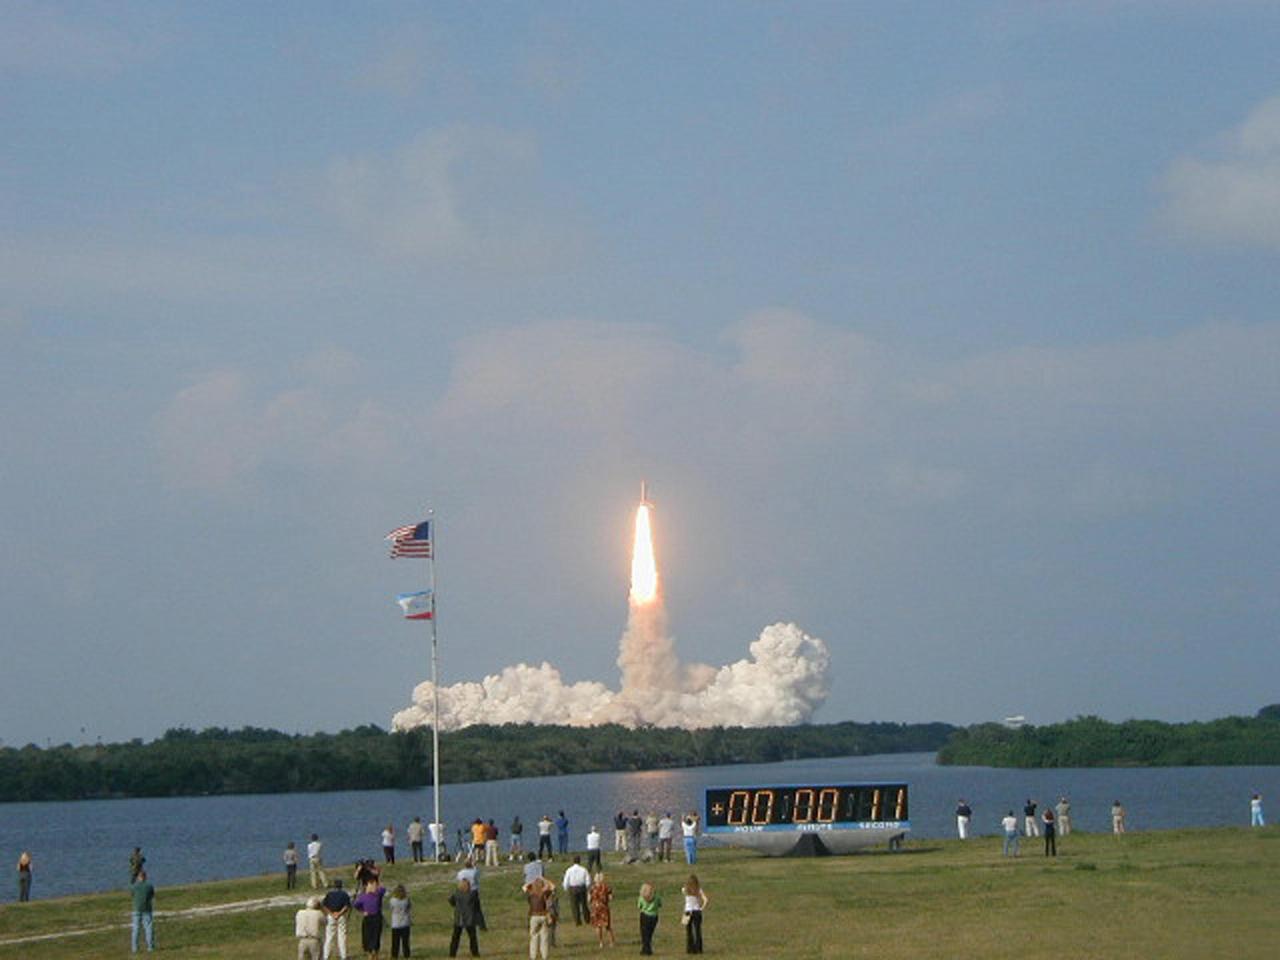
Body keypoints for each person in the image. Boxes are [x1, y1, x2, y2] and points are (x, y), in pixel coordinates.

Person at [524, 874, 555, 960]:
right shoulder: (545, 893)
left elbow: (524, 887)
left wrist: (531, 882)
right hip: (544, 915)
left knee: (533, 937)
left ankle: (533, 956)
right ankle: (544, 956)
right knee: (544, 938)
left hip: (534, 916)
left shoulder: (531, 893)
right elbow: (553, 886)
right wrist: (545, 880)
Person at [354, 877, 387, 960]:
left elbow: (383, 889)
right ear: (367, 886)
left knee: (376, 936)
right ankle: (369, 954)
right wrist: (363, 911)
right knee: (367, 937)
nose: (373, 886)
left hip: (377, 917)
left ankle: (375, 954)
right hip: (368, 918)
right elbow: (356, 904)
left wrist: (376, 887)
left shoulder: (378, 894)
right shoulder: (363, 896)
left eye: (374, 884)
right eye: (371, 884)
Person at [448, 878, 482, 958]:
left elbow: (451, 901)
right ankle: (475, 953)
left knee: (455, 938)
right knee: (472, 938)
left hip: (459, 918)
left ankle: (452, 953)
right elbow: (476, 903)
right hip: (469, 919)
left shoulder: (457, 894)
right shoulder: (472, 894)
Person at [323, 877, 352, 960]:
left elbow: (324, 905)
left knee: (329, 937)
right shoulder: (344, 894)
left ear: (334, 886)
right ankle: (343, 956)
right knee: (342, 937)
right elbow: (346, 906)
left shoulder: (329, 894)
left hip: (331, 916)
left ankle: (326, 956)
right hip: (341, 916)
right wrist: (339, 913)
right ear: (341, 886)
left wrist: (331, 914)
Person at [455, 858, 486, 930]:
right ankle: (481, 925)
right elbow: (478, 876)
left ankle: (462, 924)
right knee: (477, 910)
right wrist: (475, 866)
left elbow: (458, 880)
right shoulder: (474, 872)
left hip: (462, 892)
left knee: (463, 909)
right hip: (473, 891)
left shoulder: (460, 872)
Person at [130, 868, 156, 953]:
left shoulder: (134, 886)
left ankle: (135, 948)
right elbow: (152, 896)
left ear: (138, 877)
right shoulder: (149, 886)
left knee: (136, 928)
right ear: (145, 877)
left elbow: (132, 895)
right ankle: (150, 947)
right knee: (148, 928)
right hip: (147, 909)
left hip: (136, 909)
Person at [681, 874, 708, 955]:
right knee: (697, 931)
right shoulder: (699, 890)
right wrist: (701, 908)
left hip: (687, 911)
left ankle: (690, 948)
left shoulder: (684, 890)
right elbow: (706, 900)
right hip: (697, 911)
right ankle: (699, 949)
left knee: (688, 931)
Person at [589, 871, 616, 948]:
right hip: (604, 908)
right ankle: (611, 942)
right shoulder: (606, 887)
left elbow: (589, 899)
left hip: (595, 908)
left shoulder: (592, 888)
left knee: (598, 926)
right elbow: (611, 898)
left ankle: (601, 942)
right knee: (607, 926)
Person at [563, 854, 591, 925]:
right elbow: (588, 880)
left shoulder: (569, 870)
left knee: (574, 906)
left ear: (573, 861)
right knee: (584, 905)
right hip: (582, 888)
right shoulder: (584, 869)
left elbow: (566, 881)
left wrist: (566, 888)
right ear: (580, 861)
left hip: (573, 889)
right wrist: (587, 887)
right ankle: (587, 919)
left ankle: (577, 921)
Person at [296, 895, 327, 960]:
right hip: (314, 940)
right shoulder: (318, 913)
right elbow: (325, 922)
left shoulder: (299, 913)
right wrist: (322, 909)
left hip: (302, 940)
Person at [387, 884, 413, 959]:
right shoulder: (406, 900)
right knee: (405, 942)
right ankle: (406, 955)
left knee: (395, 942)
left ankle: (394, 955)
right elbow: (409, 908)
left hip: (395, 924)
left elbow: (390, 908)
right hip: (405, 923)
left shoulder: (392, 900)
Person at [637, 882, 662, 956]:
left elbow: (639, 906)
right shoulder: (657, 897)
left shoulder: (642, 898)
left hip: (644, 916)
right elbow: (660, 905)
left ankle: (646, 949)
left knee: (644, 934)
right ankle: (647, 949)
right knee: (650, 934)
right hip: (654, 916)